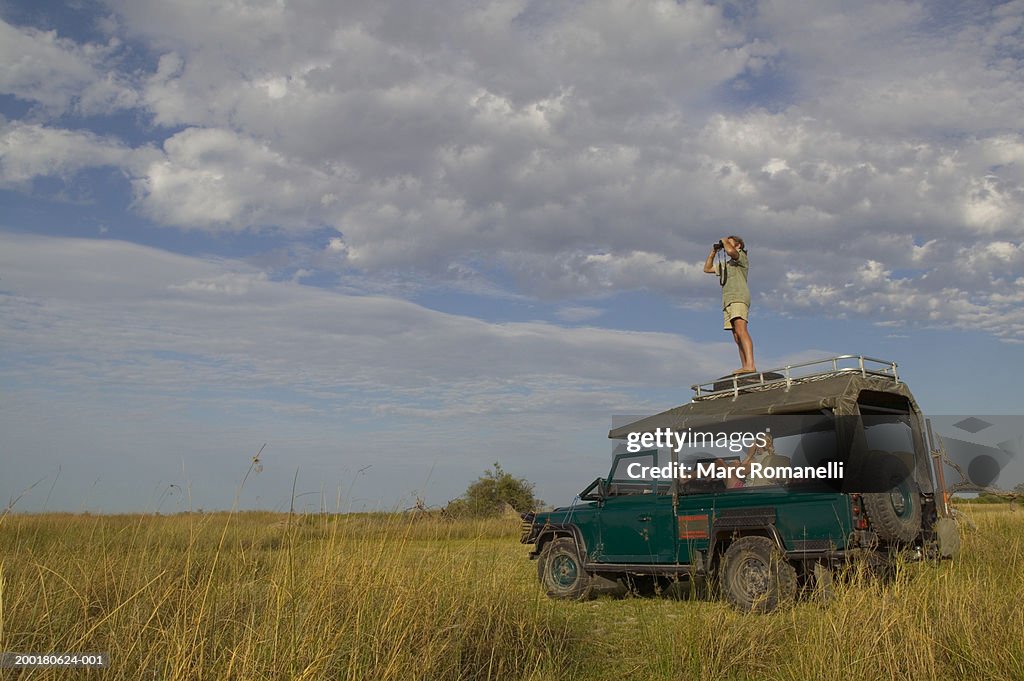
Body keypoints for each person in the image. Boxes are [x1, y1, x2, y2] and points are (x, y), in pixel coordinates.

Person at [703, 236, 755, 374]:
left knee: (741, 330)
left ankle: (750, 365)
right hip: (728, 301)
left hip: (739, 297)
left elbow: (732, 252)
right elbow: (707, 269)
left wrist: (725, 241)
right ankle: (745, 366)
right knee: (736, 336)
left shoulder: (741, 258)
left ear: (738, 246)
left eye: (730, 244)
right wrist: (714, 251)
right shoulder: (726, 265)